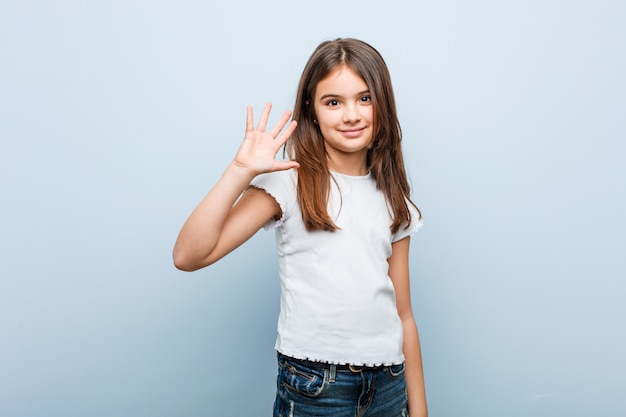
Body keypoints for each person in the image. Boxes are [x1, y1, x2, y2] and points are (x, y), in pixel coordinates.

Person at [173, 38, 428, 417]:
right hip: (317, 386)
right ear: (312, 109)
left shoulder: (395, 199)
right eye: (333, 102)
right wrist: (240, 171)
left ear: (382, 104)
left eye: (364, 98)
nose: (351, 115)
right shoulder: (289, 184)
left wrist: (418, 409)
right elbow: (189, 255)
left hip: (389, 383)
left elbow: (404, 315)